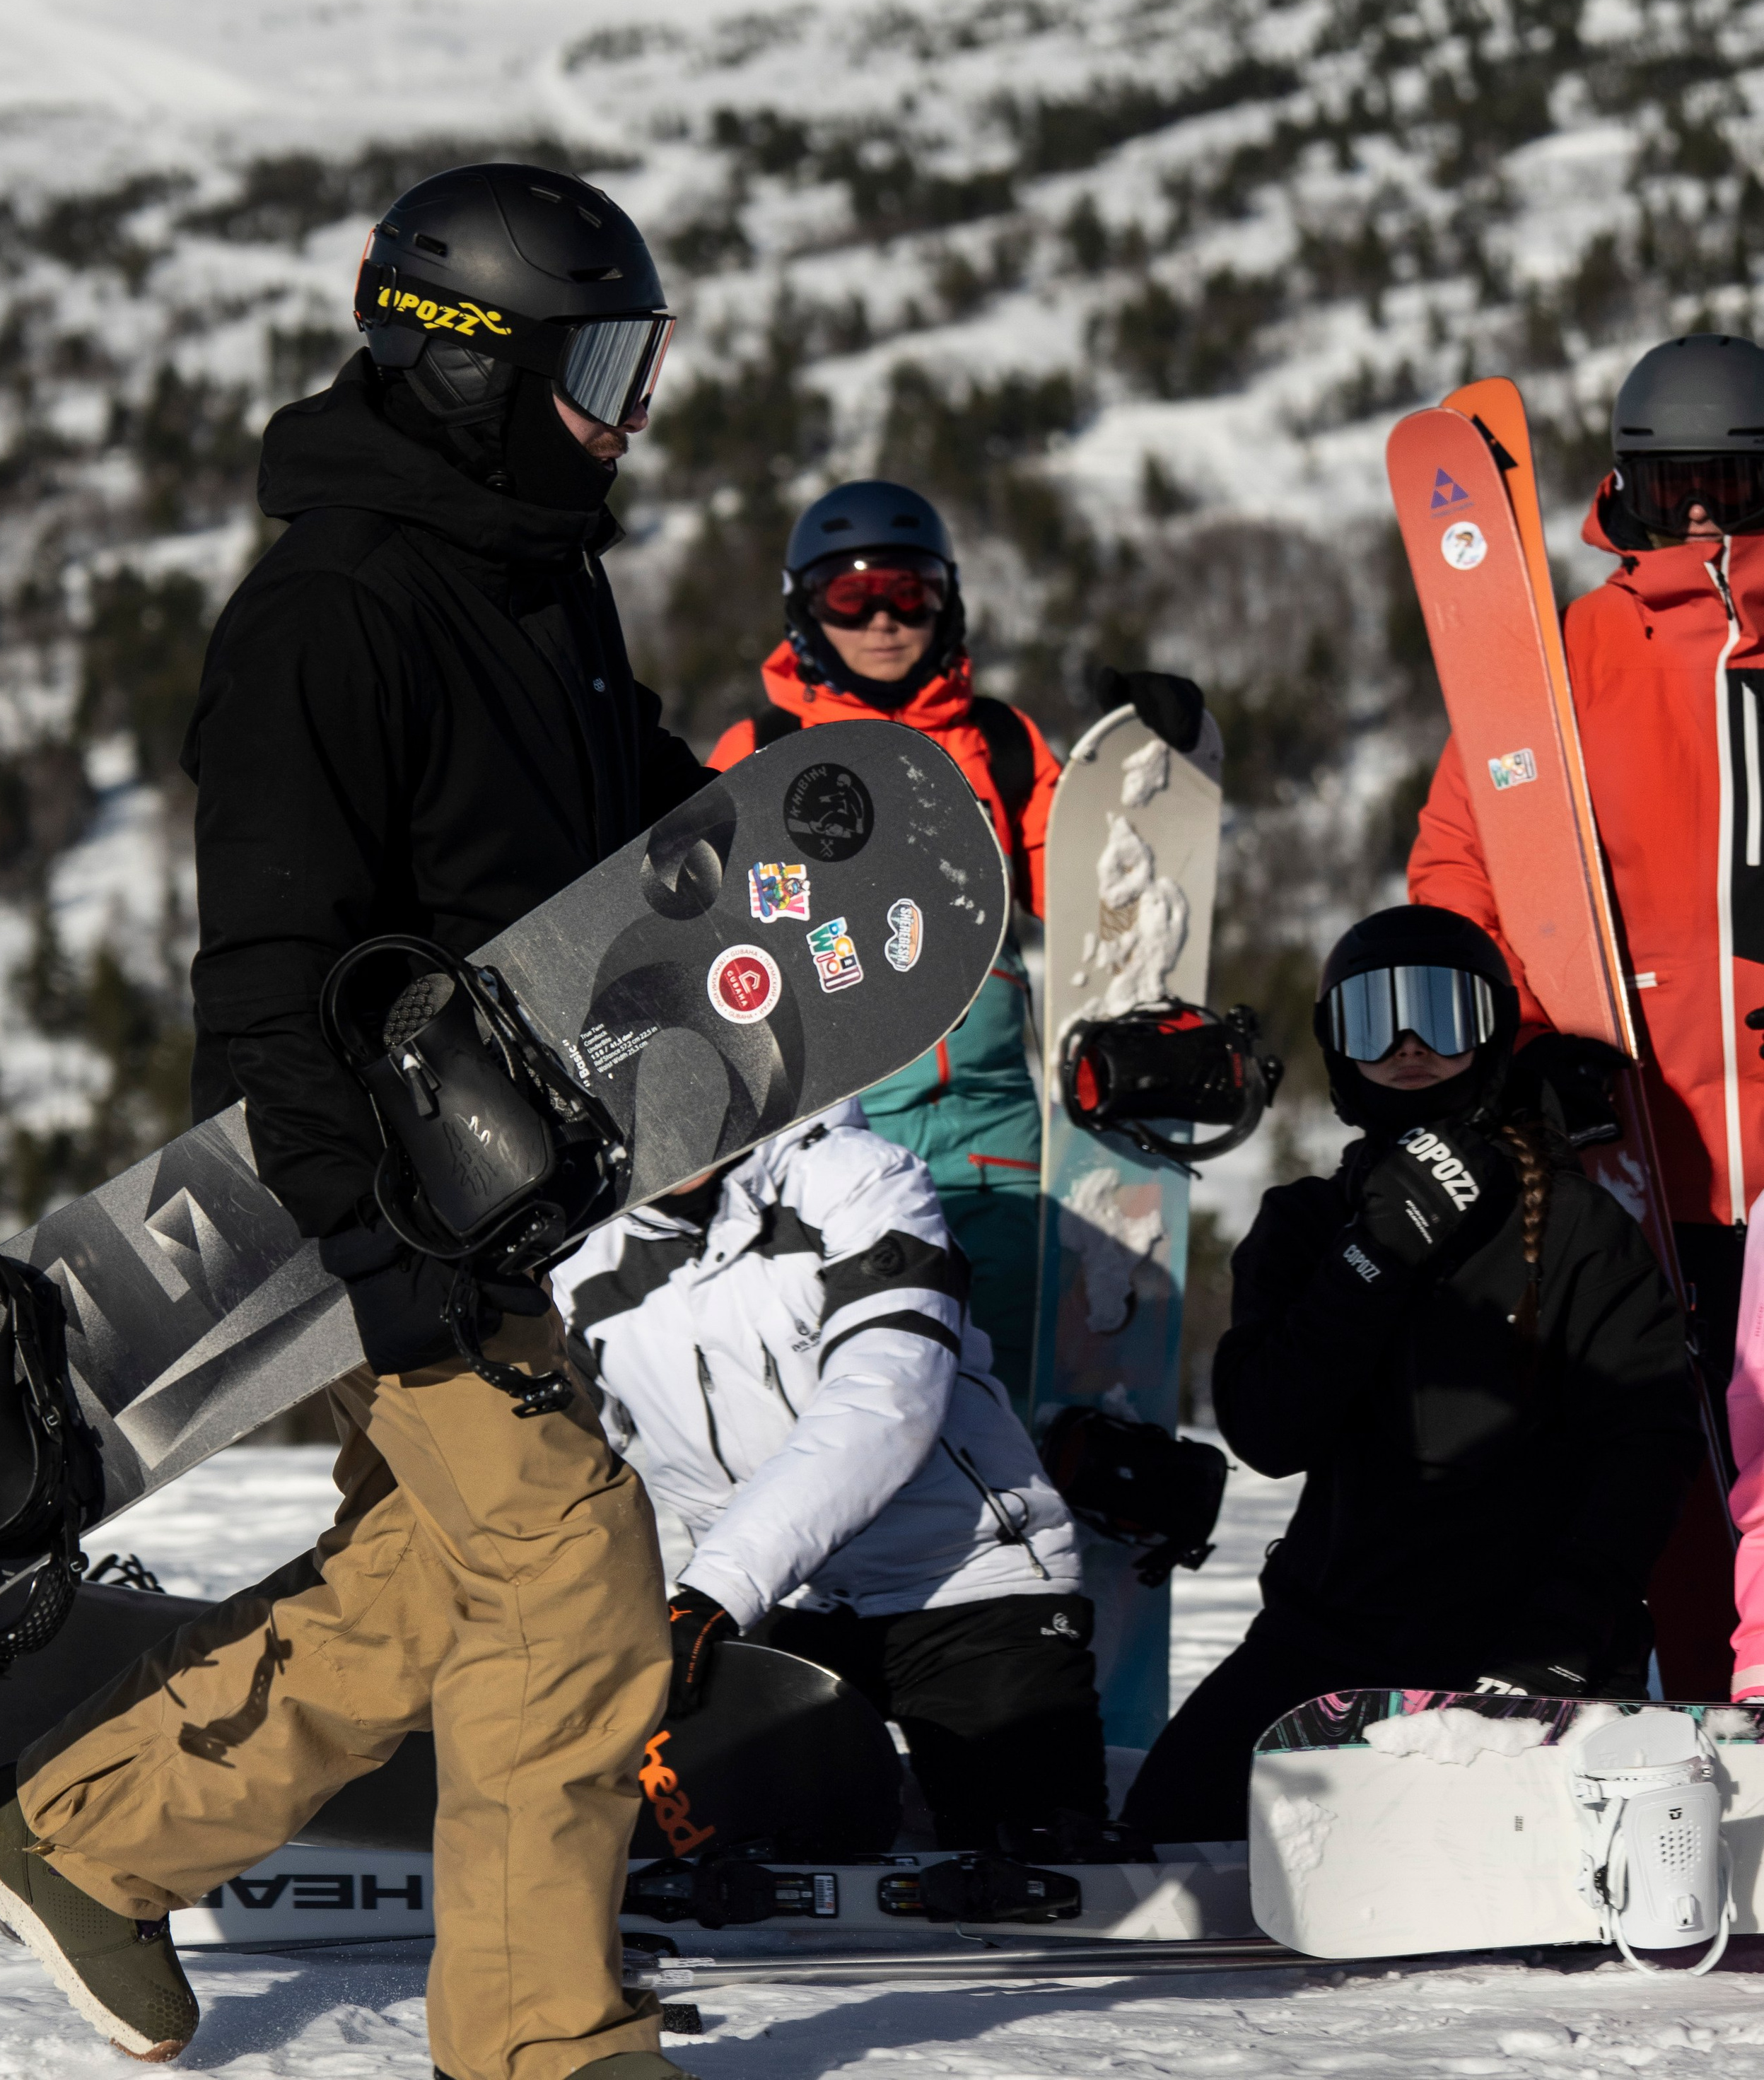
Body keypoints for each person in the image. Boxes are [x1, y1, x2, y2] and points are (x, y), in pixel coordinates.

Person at [0, 163, 706, 2079]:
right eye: (596, 364)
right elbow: (270, 995)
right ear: (477, 366)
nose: (624, 410)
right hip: (387, 1214)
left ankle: (94, 1832)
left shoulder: (539, 574)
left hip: (506, 1197)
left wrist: (754, 834)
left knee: (432, 1579)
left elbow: (604, 801)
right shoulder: (331, 619)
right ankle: (545, 2045)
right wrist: (380, 1269)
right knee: (570, 1569)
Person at [1121, 904, 1699, 1846]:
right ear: (1335, 1046)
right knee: (1170, 1835)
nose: (1408, 1043)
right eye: (1373, 1017)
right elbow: (1270, 1433)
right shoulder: (1308, 1226)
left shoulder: (1579, 1230)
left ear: (1494, 1032)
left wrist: (1562, 1639)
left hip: (1530, 1644)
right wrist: (1376, 1257)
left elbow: (1645, 1446)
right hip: (1335, 1644)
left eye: (1442, 1011)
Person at [1409, 332, 1764, 1690]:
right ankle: (1667, 1729)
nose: (1693, 514)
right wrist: (1521, 1050)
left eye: (1726, 489)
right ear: (1625, 484)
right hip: (1630, 1160)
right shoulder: (1566, 661)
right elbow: (1461, 869)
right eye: (1672, 480)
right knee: (1650, 1464)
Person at [707, 479, 1204, 1417]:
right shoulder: (761, 748)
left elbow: (1104, 893)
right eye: (851, 597)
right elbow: (720, 942)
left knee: (1004, 1387)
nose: (887, 620)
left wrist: (1149, 773)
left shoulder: (1002, 744)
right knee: (867, 1404)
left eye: (913, 591)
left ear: (950, 599)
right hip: (840, 1124)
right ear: (804, 609)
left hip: (993, 1127)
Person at [555, 1098, 1106, 1851]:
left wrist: (711, 1593)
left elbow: (885, 1405)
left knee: (1030, 1870)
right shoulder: (579, 1259)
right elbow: (554, 1472)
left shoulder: (854, 1178)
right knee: (709, 1866)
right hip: (774, 1612)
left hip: (963, 1590)